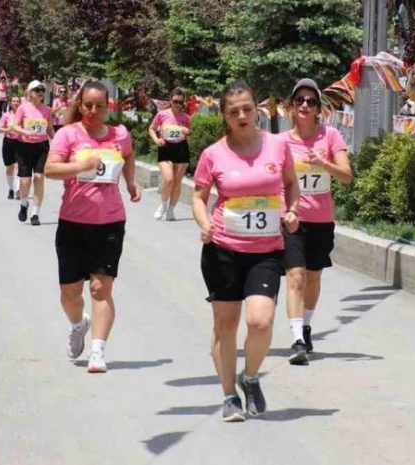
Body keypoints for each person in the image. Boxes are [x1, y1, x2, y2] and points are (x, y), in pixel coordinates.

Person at [191, 81, 300, 422]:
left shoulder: (277, 147)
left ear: (258, 110)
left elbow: (291, 183)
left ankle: (249, 377)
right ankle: (228, 397)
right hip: (223, 248)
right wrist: (204, 222)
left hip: (266, 249)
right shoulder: (214, 154)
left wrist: (292, 210)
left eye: (247, 109)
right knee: (226, 324)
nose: (241, 115)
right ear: (224, 115)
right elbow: (198, 196)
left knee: (260, 320)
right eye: (233, 111)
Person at [45, 81, 142, 373]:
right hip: (73, 222)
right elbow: (50, 169)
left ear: (108, 106)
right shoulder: (68, 134)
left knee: (101, 288)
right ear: (80, 104)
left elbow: (128, 156)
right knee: (70, 292)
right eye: (88, 105)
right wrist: (80, 165)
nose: (93, 111)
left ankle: (98, 351)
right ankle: (78, 323)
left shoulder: (119, 134)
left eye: (99, 105)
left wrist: (131, 182)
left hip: (110, 222)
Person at [282, 79, 353, 365]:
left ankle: (307, 325)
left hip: (321, 220)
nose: (305, 105)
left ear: (318, 109)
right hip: (292, 221)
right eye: (299, 100)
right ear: (291, 106)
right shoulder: (281, 142)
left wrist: (324, 163)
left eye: (311, 101)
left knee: (313, 277)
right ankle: (297, 338)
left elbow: (347, 176)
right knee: (295, 277)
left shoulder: (331, 136)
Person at [11, 80, 55, 226]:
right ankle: (24, 204)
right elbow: (14, 126)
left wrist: (57, 142)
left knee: (39, 178)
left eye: (42, 90)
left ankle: (35, 214)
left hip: (41, 147)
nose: (40, 93)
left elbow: (49, 129)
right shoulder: (23, 108)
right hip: (24, 146)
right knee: (25, 181)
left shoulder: (47, 110)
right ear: (30, 93)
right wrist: (25, 132)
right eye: (37, 90)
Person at [149, 88, 192, 221]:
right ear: (170, 100)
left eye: (180, 102)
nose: (177, 104)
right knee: (168, 179)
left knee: (177, 182)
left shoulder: (186, 118)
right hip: (166, 147)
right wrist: (157, 140)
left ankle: (171, 210)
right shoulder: (162, 115)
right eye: (175, 101)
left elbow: (190, 138)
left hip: (181, 148)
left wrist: (187, 132)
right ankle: (162, 205)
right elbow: (151, 128)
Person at [0, 96, 22, 199]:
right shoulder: (6, 115)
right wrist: (9, 130)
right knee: (9, 167)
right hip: (8, 142)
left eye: (17, 101)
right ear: (10, 103)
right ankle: (11, 189)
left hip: (20, 142)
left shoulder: (23, 116)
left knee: (18, 166)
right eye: (14, 101)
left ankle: (17, 190)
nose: (16, 103)